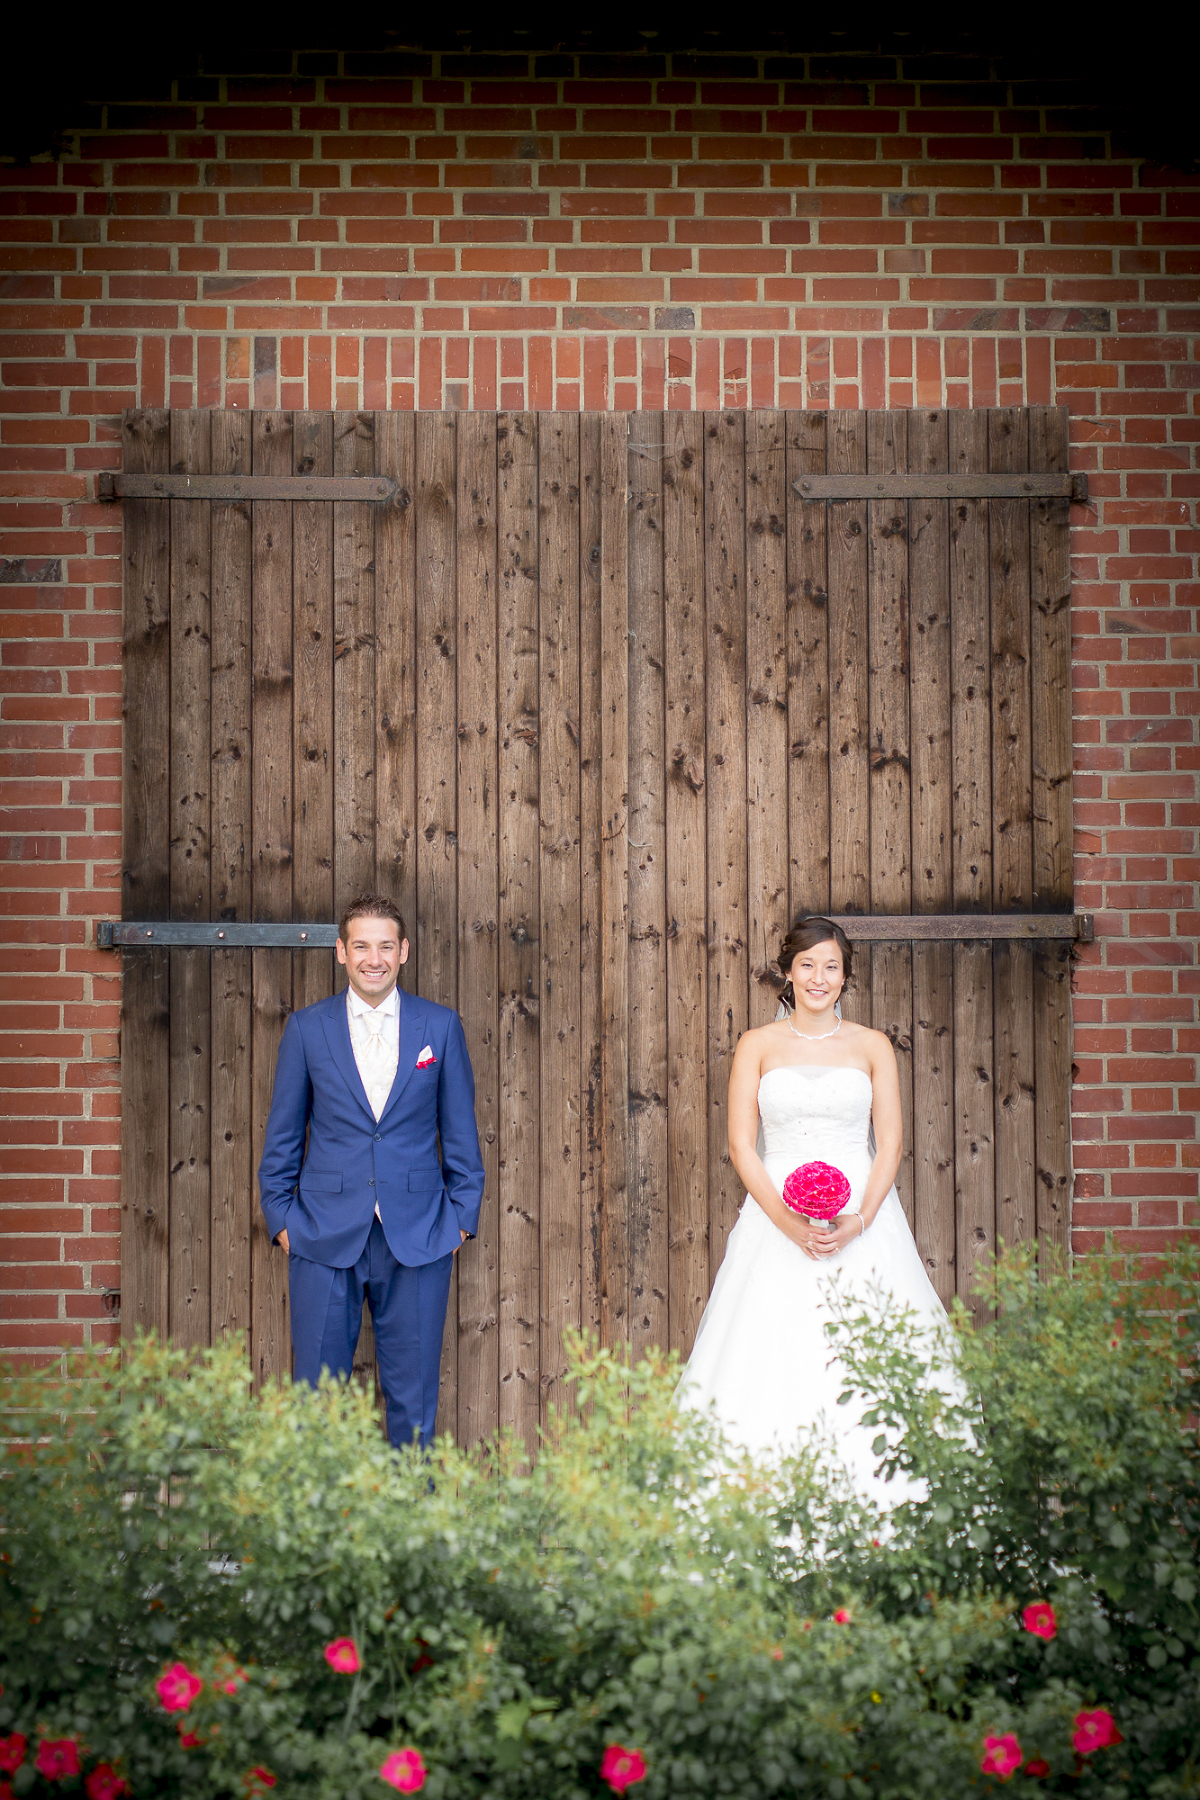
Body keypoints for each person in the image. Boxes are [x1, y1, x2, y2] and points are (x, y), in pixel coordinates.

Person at [677, 915, 954, 1502]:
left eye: (831, 966)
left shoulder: (872, 1045)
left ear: (846, 975)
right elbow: (741, 1146)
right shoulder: (756, 1045)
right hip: (776, 1219)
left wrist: (858, 1220)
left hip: (863, 1220)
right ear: (787, 972)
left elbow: (891, 1143)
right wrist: (788, 1224)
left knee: (867, 1355)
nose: (819, 977)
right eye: (807, 965)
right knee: (769, 1354)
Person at [258, 894, 484, 1450]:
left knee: (415, 1402)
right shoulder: (308, 1030)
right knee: (318, 1398)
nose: (374, 958)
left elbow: (459, 1133)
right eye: (361, 945)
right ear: (341, 951)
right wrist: (282, 1219)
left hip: (420, 1233)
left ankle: (413, 1530)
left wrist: (460, 1221)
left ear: (404, 951)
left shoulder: (440, 1026)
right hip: (321, 1232)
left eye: (386, 945)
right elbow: (284, 1134)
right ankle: (319, 1533)